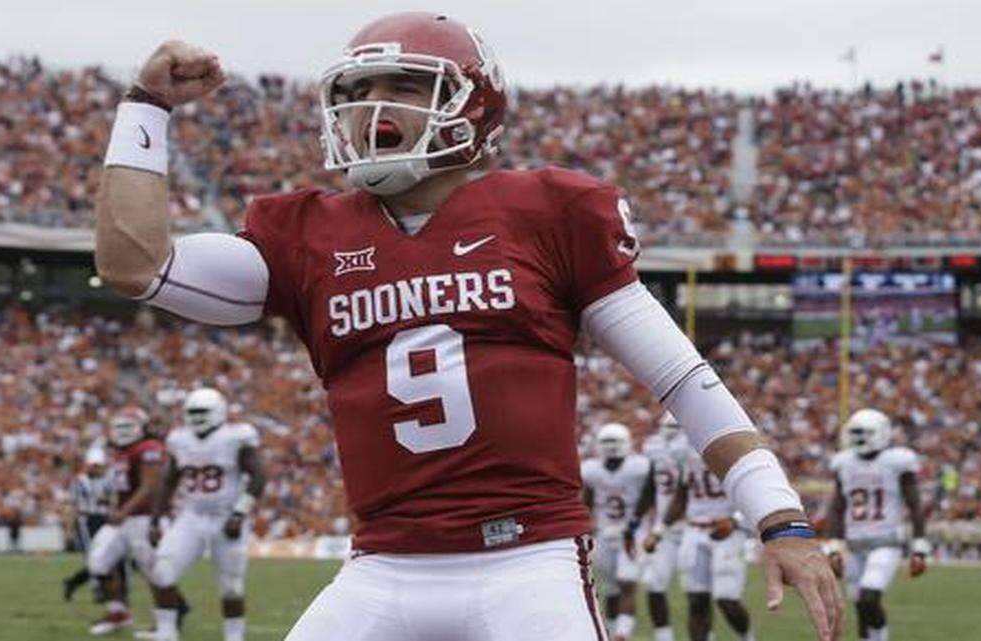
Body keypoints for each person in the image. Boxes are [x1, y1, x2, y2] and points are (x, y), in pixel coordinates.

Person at [93, 12, 841, 640]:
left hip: (529, 559)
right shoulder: (308, 235)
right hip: (382, 563)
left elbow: (682, 379)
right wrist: (144, 105)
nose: (374, 106)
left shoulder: (548, 213)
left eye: (405, 85)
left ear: (473, 105)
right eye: (358, 90)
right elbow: (136, 264)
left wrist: (781, 519)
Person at [147, 388, 265, 641]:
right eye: (192, 412)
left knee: (231, 587)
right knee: (161, 571)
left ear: (219, 412)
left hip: (227, 516)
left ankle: (234, 638)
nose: (197, 416)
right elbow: (168, 480)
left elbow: (259, 476)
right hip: (191, 515)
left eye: (202, 412)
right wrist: (155, 518)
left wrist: (239, 513)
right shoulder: (179, 439)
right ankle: (167, 633)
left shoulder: (235, 436)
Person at [824, 409, 930, 641]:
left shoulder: (896, 461)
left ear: (882, 433)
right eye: (856, 433)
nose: (859, 439)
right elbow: (838, 507)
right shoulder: (844, 463)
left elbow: (914, 505)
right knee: (861, 609)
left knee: (868, 597)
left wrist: (920, 546)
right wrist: (833, 545)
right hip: (854, 545)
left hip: (886, 542)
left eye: (865, 433)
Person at [646, 446, 758, 641]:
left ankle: (747, 637)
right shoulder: (688, 453)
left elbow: (754, 494)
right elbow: (681, 496)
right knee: (696, 600)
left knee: (726, 599)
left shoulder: (734, 448)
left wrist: (735, 521)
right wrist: (659, 531)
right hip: (695, 531)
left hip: (727, 533)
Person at [86, 407, 168, 635]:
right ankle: (118, 612)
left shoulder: (148, 448)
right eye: (118, 427)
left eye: (127, 426)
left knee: (153, 570)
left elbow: (150, 486)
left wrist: (124, 510)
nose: (122, 432)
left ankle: (165, 623)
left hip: (143, 518)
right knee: (98, 561)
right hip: (123, 518)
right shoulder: (121, 452)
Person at [581, 423, 653, 640]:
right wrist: (588, 526)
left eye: (614, 441)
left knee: (627, 581)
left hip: (631, 532)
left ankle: (622, 634)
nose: (611, 447)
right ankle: (612, 632)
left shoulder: (639, 466)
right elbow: (588, 500)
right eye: (606, 442)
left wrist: (637, 523)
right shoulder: (591, 470)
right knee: (611, 588)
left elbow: (648, 496)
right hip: (604, 532)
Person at [639, 413, 689, 641]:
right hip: (665, 530)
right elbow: (649, 487)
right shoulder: (654, 450)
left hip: (693, 527)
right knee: (655, 585)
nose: (671, 431)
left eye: (675, 426)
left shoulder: (694, 451)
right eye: (667, 426)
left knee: (698, 593)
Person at [63, 447, 119, 603]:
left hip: (104, 519)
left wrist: (108, 502)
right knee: (92, 556)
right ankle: (97, 589)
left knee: (105, 557)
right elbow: (73, 506)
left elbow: (115, 500)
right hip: (86, 520)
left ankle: (73, 582)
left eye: (98, 465)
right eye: (93, 465)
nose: (95, 468)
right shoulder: (79, 481)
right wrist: (68, 530)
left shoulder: (109, 480)